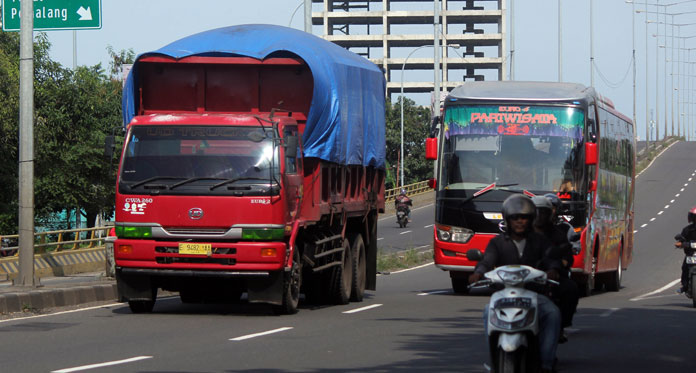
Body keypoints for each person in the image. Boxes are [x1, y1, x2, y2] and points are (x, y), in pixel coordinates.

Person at [469, 194, 562, 373]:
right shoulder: (497, 243)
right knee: (488, 311)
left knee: (553, 313)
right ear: (508, 219)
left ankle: (546, 363)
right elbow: (487, 261)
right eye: (515, 218)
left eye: (524, 217)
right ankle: (494, 359)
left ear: (531, 219)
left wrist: (553, 269)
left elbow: (551, 258)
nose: (520, 221)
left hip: (534, 294)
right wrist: (478, 273)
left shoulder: (540, 241)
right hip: (503, 294)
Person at [533, 194, 580, 344]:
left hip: (552, 276)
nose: (540, 216)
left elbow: (567, 254)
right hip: (526, 277)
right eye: (536, 212)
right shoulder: (523, 233)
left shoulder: (561, 232)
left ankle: (561, 325)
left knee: (570, 288)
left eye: (545, 212)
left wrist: (558, 266)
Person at [674, 206, 696, 294]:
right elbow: (681, 239)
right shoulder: (687, 229)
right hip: (691, 254)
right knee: (685, 267)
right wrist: (680, 243)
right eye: (694, 217)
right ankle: (685, 286)